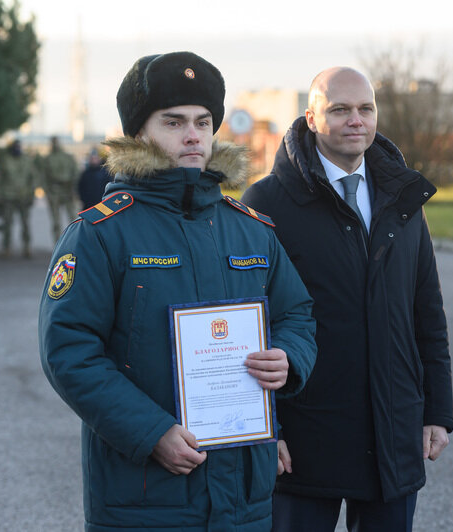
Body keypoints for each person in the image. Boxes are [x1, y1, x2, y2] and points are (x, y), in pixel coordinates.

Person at [38, 51, 317, 531]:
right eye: (173, 122)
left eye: (203, 121)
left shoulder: (250, 230)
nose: (193, 135)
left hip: (245, 496)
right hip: (146, 497)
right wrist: (151, 433)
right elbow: (69, 351)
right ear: (139, 133)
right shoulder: (101, 234)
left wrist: (289, 356)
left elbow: (297, 314)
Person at [242, 67, 453, 532]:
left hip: (393, 429)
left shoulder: (402, 198)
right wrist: (265, 430)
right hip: (305, 433)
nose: (355, 120)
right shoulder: (268, 201)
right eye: (339, 110)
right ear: (312, 119)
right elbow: (248, 324)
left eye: (365, 109)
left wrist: (438, 411)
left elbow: (427, 313)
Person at [0, 139, 36, 257]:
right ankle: (6, 248)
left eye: (19, 146)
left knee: (25, 223)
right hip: (8, 196)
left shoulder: (27, 160)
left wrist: (32, 194)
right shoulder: (5, 160)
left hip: (24, 196)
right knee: (7, 223)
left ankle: (27, 247)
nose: (17, 149)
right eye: (15, 147)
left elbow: (32, 179)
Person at [40, 136, 79, 239]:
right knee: (56, 221)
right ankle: (57, 244)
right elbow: (43, 176)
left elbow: (76, 173)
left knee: (73, 219)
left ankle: (74, 242)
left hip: (67, 190)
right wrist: (47, 191)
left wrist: (74, 189)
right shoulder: (48, 159)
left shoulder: (68, 157)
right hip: (54, 191)